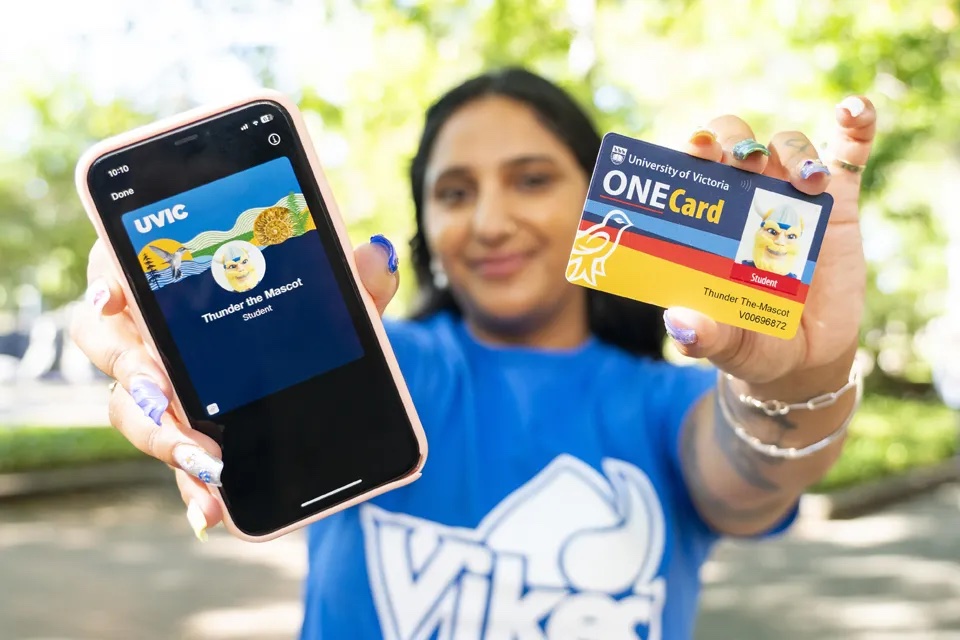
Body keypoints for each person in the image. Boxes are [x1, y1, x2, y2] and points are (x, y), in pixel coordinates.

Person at [71, 68, 876, 639]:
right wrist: (173, 323)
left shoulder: (666, 406)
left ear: (600, 200)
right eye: (455, 192)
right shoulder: (379, 365)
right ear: (427, 225)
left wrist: (803, 375)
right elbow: (257, 411)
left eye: (530, 180)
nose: (490, 221)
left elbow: (752, 478)